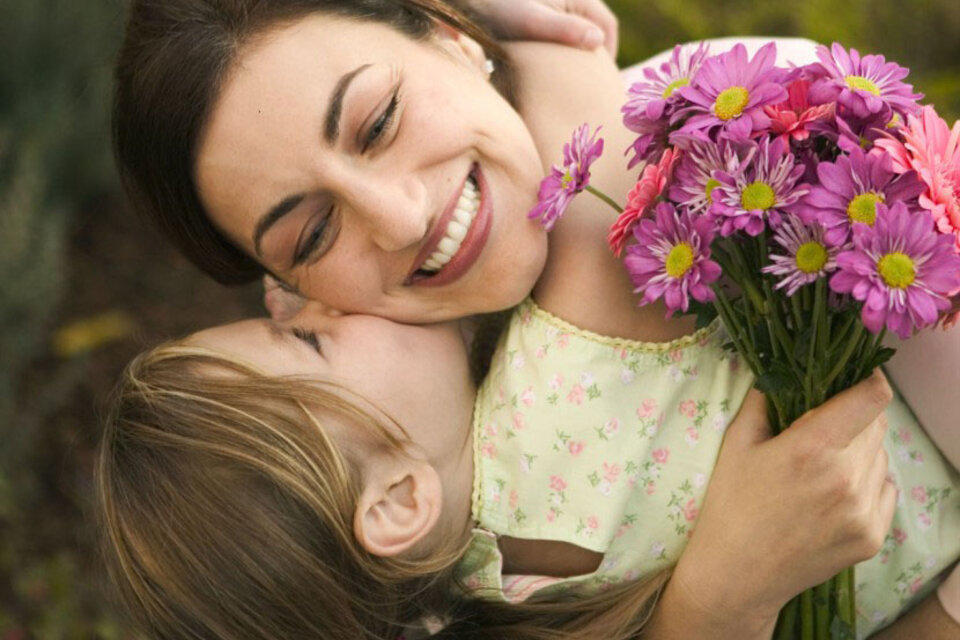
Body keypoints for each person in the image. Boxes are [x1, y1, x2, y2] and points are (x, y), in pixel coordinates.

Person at [108, 0, 959, 636]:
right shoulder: (527, 416)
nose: (402, 219)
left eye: (378, 121)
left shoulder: (750, 127)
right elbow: (598, 195)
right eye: (314, 233)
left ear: (445, 37)